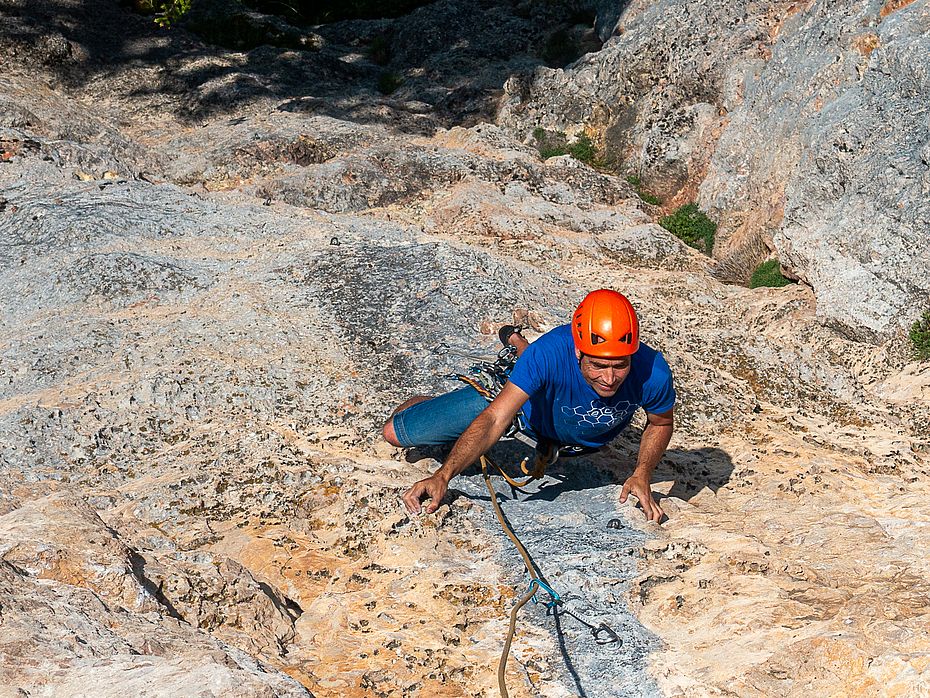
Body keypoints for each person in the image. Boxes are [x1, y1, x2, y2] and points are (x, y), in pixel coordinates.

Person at [383, 289, 676, 522]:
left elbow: (660, 422)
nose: (610, 379)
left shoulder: (652, 371)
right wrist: (442, 476)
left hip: (572, 438)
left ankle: (518, 343)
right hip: (522, 418)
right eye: (598, 366)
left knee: (534, 361)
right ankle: (507, 357)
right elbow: (496, 418)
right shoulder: (548, 355)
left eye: (620, 365)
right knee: (395, 432)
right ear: (578, 351)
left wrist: (642, 473)